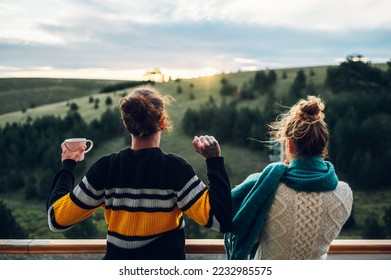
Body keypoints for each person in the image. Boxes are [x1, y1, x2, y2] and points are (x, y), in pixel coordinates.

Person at [46, 86, 232, 260]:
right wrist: (214, 160)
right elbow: (220, 221)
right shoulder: (175, 169)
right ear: (162, 122)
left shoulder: (106, 168)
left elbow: (56, 220)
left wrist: (68, 163)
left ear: (127, 124)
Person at [224, 95, 353, 260]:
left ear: (290, 144)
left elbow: (233, 221)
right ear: (323, 147)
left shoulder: (265, 186)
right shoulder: (344, 193)